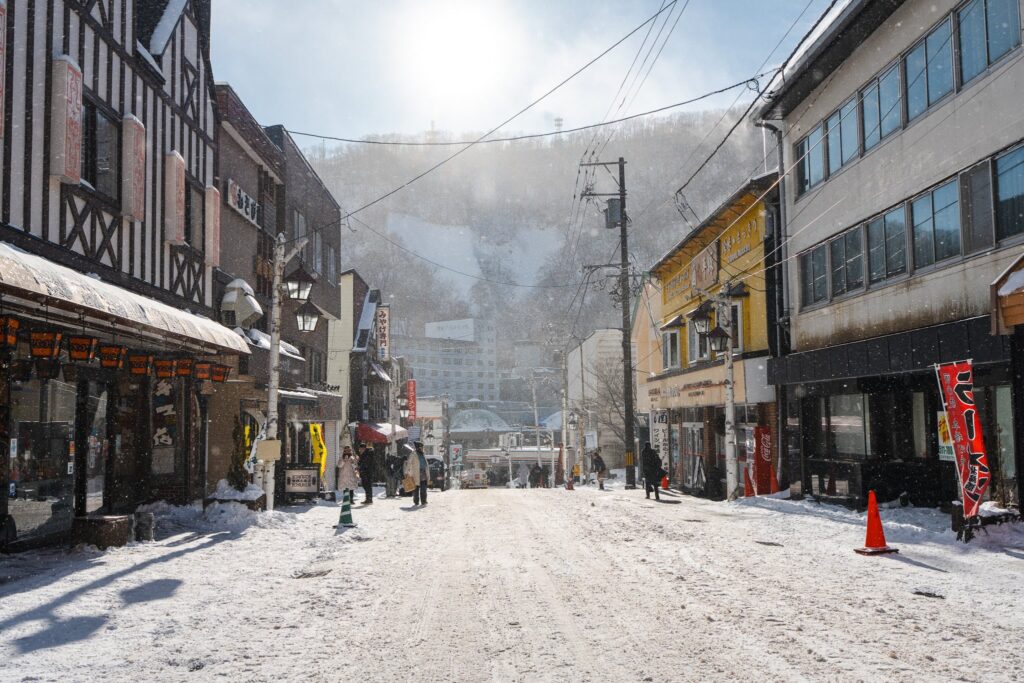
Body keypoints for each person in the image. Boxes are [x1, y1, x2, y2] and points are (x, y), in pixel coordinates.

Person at [408, 440, 429, 505]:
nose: (422, 448)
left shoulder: (423, 454)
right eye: (421, 447)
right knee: (416, 488)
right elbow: (409, 463)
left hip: (423, 472)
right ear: (418, 447)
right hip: (416, 473)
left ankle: (423, 500)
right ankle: (416, 501)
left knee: (423, 488)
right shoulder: (413, 454)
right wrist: (409, 473)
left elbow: (425, 464)